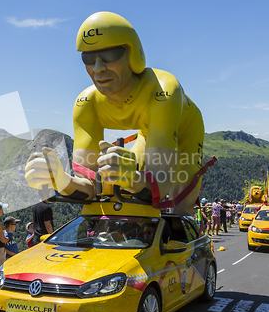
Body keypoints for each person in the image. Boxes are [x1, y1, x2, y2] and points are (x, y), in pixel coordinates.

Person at [25, 11, 204, 216]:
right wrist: (61, 179)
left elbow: (160, 184)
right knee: (120, 184)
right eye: (89, 58)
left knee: (179, 208)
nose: (98, 68)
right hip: (148, 131)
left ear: (133, 55)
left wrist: (133, 179)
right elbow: (91, 187)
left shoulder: (164, 90)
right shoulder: (86, 103)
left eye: (110, 56)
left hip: (186, 131)